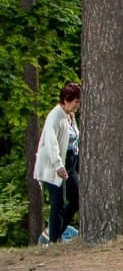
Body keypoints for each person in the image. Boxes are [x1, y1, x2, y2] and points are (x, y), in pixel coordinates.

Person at [34, 82, 83, 243]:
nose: (77, 105)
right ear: (66, 100)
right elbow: (51, 143)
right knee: (58, 203)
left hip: (70, 164)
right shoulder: (54, 117)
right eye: (76, 102)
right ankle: (54, 239)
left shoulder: (70, 116)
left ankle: (56, 231)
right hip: (54, 166)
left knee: (76, 199)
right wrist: (58, 165)